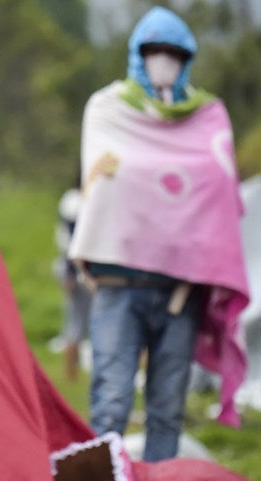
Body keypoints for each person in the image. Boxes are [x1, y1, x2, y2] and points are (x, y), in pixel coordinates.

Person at [68, 7, 249, 462]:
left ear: (186, 57)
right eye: (154, 51)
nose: (162, 59)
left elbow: (218, 184)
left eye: (173, 52)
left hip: (178, 290)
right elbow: (111, 177)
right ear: (137, 54)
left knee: (167, 410)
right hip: (118, 284)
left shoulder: (206, 114)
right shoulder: (108, 107)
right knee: (110, 403)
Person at [53, 184, 91, 381]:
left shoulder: (74, 199)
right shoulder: (75, 200)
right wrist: (69, 273)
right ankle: (71, 375)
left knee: (78, 322)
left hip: (83, 270)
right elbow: (70, 242)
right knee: (75, 322)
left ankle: (74, 375)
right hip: (78, 270)